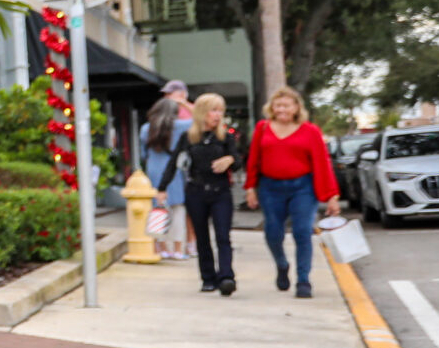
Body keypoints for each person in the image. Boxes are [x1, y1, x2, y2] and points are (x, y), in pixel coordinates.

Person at [243, 84, 341, 299]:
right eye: (277, 105)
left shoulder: (310, 131)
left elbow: (322, 163)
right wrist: (250, 188)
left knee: (302, 231)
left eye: (286, 105)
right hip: (270, 188)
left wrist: (331, 196)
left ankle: (303, 280)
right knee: (273, 232)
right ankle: (281, 264)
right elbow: (253, 160)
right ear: (271, 108)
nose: (282, 110)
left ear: (296, 107)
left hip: (302, 188)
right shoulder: (262, 128)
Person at [177, 92, 244, 295]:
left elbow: (238, 161)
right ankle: (208, 278)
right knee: (202, 236)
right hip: (196, 192)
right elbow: (175, 164)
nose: (217, 115)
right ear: (202, 112)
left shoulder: (225, 137)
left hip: (220, 192)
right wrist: (162, 189)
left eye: (220, 111)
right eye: (213, 110)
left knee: (223, 236)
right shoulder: (188, 137)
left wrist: (229, 160)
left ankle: (226, 277)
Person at [139, 94, 194, 261]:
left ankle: (162, 248)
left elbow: (143, 154)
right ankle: (177, 250)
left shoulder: (146, 128)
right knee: (178, 209)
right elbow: (199, 119)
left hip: (153, 170)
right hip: (174, 171)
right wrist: (184, 103)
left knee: (157, 208)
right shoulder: (180, 126)